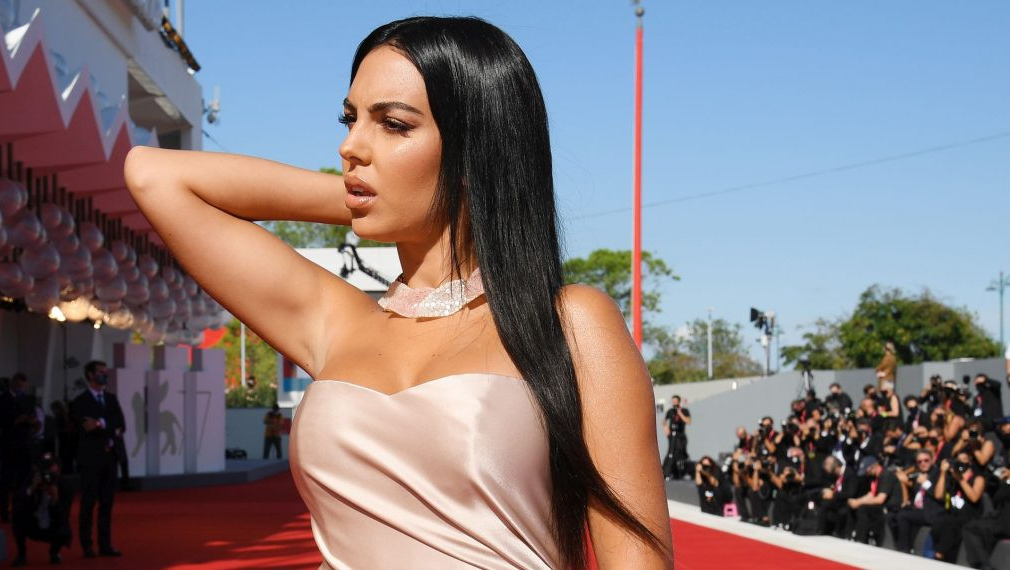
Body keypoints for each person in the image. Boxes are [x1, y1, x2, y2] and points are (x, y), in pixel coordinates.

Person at [124, 15, 672, 568]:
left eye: (393, 124)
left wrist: (455, 191)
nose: (350, 146)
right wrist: (365, 196)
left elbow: (637, 558)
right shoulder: (335, 323)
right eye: (350, 118)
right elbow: (154, 175)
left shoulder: (569, 323)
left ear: (475, 149)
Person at [69, 361, 124, 558]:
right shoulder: (80, 402)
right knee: (88, 503)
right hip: (91, 460)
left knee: (107, 504)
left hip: (110, 458)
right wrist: (108, 426)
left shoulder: (111, 399)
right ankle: (87, 545)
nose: (105, 375)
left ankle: (105, 544)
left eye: (105, 372)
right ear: (91, 375)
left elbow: (121, 425)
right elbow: (86, 427)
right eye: (101, 372)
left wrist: (100, 423)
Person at [11, 453, 72, 566]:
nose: (48, 476)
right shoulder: (31, 479)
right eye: (46, 470)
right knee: (17, 515)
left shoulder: (64, 486)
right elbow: (17, 501)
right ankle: (21, 554)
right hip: (32, 524)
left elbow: (64, 516)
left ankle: (54, 553)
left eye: (52, 472)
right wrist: (32, 489)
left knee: (65, 530)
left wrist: (55, 500)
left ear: (59, 471)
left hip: (51, 526)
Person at [0, 373, 39, 522]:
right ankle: (4, 512)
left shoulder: (28, 399)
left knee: (24, 479)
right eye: (18, 385)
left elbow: (34, 418)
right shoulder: (1, 399)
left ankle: (20, 510)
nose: (21, 387)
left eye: (23, 385)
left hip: (25, 443)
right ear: (12, 383)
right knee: (6, 479)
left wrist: (32, 421)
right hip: (9, 443)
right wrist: (15, 421)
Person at [662, 395, 692, 480]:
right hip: (672, 435)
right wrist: (666, 429)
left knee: (681, 453)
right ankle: (667, 472)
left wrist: (680, 414)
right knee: (671, 452)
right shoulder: (670, 411)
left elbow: (689, 421)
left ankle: (682, 472)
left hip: (680, 435)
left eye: (676, 401)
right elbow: (664, 421)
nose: (674, 402)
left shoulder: (684, 411)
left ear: (679, 401)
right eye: (673, 401)